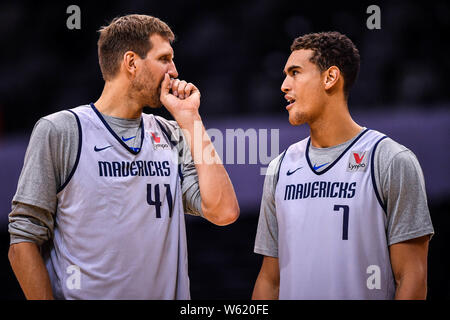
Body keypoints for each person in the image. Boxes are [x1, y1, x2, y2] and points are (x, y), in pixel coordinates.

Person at [8, 14, 239, 300]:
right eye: (164, 59)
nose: (175, 71)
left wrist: (191, 120)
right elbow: (22, 243)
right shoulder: (61, 130)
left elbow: (224, 211)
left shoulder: (172, 133)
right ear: (131, 62)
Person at [252, 32, 434, 300]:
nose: (283, 85)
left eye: (295, 73)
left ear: (330, 77)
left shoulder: (390, 159)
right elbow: (270, 280)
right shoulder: (280, 168)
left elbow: (411, 277)